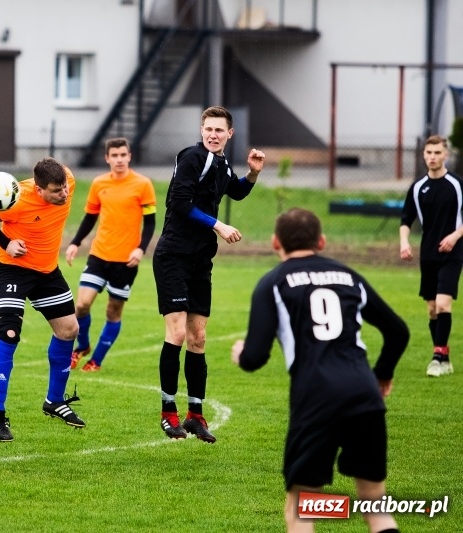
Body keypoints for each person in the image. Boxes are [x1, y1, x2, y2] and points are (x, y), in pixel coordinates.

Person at [232, 208, 408, 533]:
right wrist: (382, 373)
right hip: (364, 394)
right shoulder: (349, 276)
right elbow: (398, 331)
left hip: (316, 397)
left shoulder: (272, 283)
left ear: (275, 243)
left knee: (302, 509)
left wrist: (241, 354)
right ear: (322, 242)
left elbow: (255, 357)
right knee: (376, 505)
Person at [153, 105, 265, 441]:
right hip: (173, 255)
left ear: (230, 134)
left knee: (198, 338)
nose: (213, 135)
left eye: (219, 130)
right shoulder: (193, 157)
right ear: (201, 130)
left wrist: (253, 174)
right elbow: (179, 203)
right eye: (208, 129)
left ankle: (195, 415)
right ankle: (168, 412)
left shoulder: (221, 163)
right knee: (175, 333)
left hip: (201, 261)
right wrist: (218, 225)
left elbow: (236, 190)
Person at [0, 157, 85, 442]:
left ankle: (54, 401)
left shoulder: (67, 179)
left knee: (69, 329)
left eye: (64, 189)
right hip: (11, 268)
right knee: (9, 332)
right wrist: (6, 242)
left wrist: (61, 185)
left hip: (46, 270)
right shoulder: (16, 201)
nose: (65, 194)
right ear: (38, 188)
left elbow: (60, 177)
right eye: (56, 191)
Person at [65, 138, 157, 372]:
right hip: (99, 255)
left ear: (129, 156)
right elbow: (90, 217)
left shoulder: (143, 184)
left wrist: (140, 249)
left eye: (123, 155)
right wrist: (75, 242)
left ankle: (96, 360)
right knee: (82, 305)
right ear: (107, 158)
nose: (119, 159)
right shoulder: (98, 183)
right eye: (114, 155)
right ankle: (82, 346)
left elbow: (150, 224)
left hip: (126, 261)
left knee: (112, 311)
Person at [400, 134, 462, 377]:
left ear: (446, 155)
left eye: (437, 153)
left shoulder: (457, 185)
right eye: (429, 153)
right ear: (424, 155)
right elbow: (406, 220)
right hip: (428, 255)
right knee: (431, 310)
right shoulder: (417, 188)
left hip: (453, 254)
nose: (433, 157)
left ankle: (436, 358)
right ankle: (444, 357)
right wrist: (404, 242)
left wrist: (455, 236)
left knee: (443, 303)